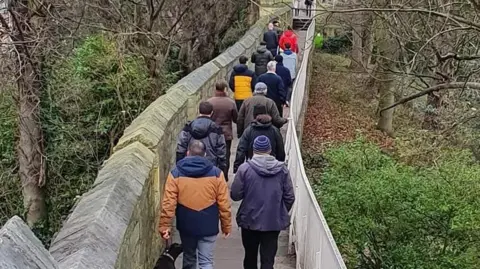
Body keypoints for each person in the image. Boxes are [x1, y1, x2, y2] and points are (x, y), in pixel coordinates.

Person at [159, 140, 232, 269]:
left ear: (188, 153)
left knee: (189, 257)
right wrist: (226, 226)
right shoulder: (217, 174)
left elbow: (168, 203)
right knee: (206, 261)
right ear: (205, 155)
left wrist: (165, 226)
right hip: (208, 224)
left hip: (187, 224)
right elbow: (224, 203)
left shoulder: (176, 174)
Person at [231, 135, 295, 269]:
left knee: (250, 256)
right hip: (272, 221)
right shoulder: (282, 169)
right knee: (268, 260)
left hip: (249, 219)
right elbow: (289, 197)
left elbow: (235, 195)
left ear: (254, 150)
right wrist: (279, 210)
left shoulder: (245, 169)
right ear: (270, 149)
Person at [176, 101, 227, 173]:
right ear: (212, 112)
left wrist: (179, 165)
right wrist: (222, 168)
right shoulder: (216, 128)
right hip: (210, 166)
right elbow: (221, 150)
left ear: (198, 110)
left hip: (189, 166)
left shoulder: (189, 126)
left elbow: (181, 147)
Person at [234, 105, 285, 173]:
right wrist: (279, 166)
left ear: (254, 116)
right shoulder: (274, 130)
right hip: (271, 167)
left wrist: (237, 169)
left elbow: (241, 150)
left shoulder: (249, 130)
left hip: (253, 167)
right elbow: (280, 150)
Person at [208, 80, 238, 181]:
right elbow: (235, 119)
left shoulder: (209, 102)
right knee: (226, 155)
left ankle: (213, 176)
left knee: (212, 153)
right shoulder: (230, 103)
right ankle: (224, 177)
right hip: (226, 134)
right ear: (225, 89)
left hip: (212, 133)